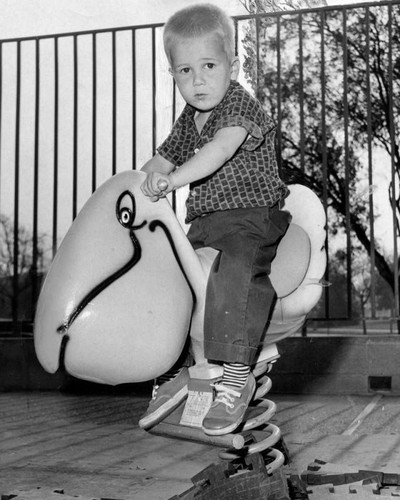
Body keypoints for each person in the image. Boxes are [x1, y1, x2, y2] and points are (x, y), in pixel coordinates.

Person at [138, 3, 290, 436]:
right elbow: (163, 158)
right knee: (175, 282)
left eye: (209, 65)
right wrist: (135, 184)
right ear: (173, 74)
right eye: (185, 71)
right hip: (205, 223)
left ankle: (236, 375)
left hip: (250, 219)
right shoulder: (190, 118)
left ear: (234, 66)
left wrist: (171, 182)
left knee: (233, 276)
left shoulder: (241, 106)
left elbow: (216, 152)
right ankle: (172, 369)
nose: (198, 79)